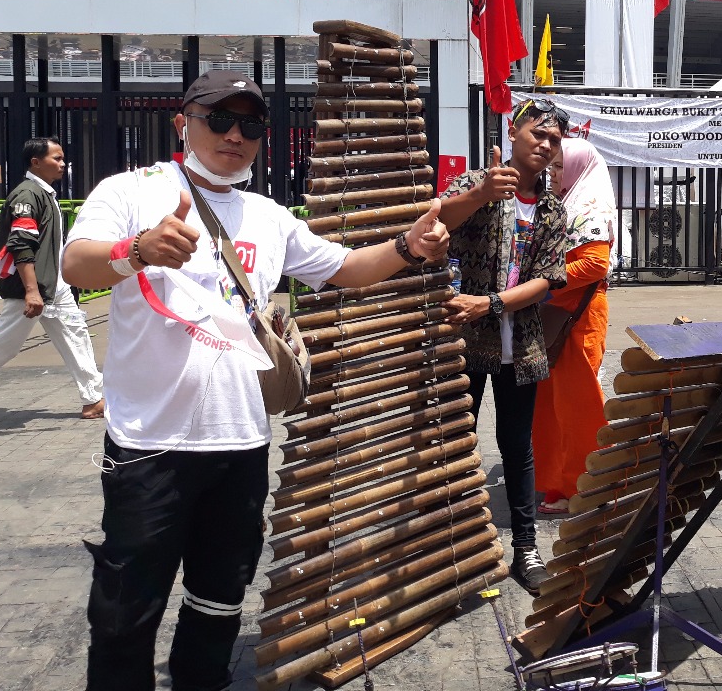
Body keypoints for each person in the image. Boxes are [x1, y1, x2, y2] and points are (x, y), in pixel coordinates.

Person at [62, 70, 449, 691]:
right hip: (149, 444)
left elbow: (346, 268)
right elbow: (75, 263)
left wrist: (409, 246)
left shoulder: (267, 216)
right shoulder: (132, 191)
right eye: (219, 118)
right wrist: (136, 251)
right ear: (182, 122)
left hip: (240, 443)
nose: (234, 135)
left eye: (250, 124)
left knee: (220, 596)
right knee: (125, 608)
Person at [439, 99, 570, 594]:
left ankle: (526, 549)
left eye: (554, 139)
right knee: (456, 442)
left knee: (517, 447)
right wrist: (480, 193)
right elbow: (437, 222)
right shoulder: (480, 183)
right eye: (538, 133)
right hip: (466, 343)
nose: (545, 144)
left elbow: (547, 279)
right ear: (513, 133)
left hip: (521, 346)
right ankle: (450, 545)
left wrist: (490, 303)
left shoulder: (553, 209)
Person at [0, 138, 103, 418]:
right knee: (2, 347)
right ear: (35, 162)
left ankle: (93, 398)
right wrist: (31, 290)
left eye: (62, 158)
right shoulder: (27, 195)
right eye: (56, 158)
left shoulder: (44, 193)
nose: (63, 164)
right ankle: (93, 397)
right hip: (31, 287)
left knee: (75, 334)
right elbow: (21, 244)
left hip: (54, 286)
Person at [533, 138, 615, 516]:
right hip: (563, 315)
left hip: (579, 318)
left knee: (576, 406)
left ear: (579, 168)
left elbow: (595, 265)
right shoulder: (569, 202)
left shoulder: (588, 206)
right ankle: (561, 483)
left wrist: (542, 282)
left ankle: (586, 487)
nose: (551, 173)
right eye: (551, 166)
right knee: (556, 404)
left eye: (558, 166)